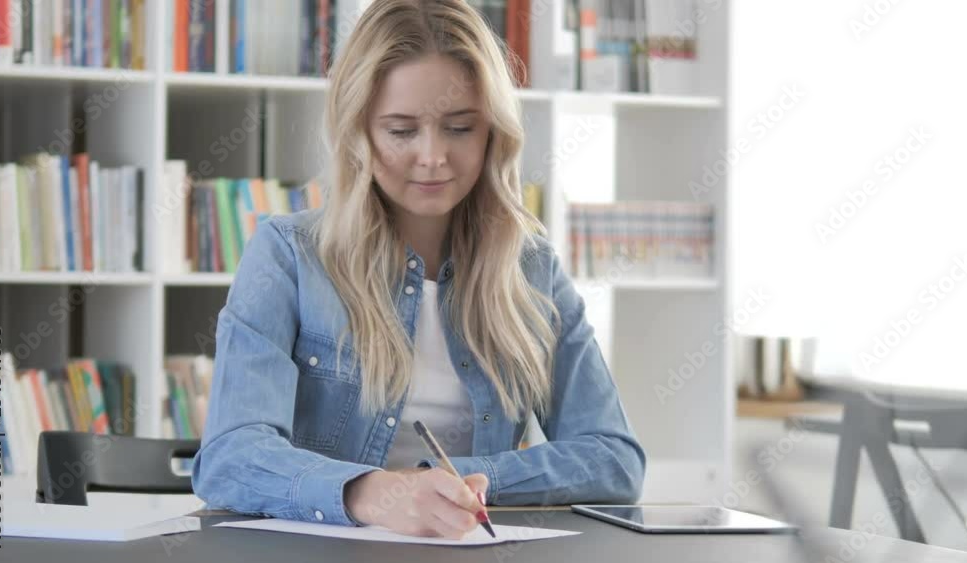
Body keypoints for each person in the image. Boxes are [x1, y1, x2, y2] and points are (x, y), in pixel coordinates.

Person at [191, 0, 645, 540]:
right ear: (359, 132)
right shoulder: (288, 255)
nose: (432, 157)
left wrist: (460, 482)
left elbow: (614, 459)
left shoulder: (532, 269)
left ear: (492, 134)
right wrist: (376, 492)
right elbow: (230, 456)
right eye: (401, 130)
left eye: (458, 127)